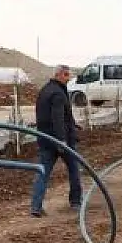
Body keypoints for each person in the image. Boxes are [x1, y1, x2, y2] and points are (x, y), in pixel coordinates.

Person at [30, 65, 82, 217]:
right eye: (66, 75)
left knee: (43, 172)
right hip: (61, 141)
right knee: (74, 170)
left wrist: (73, 124)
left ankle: (36, 206)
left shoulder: (45, 90)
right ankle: (76, 202)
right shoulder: (58, 93)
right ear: (58, 75)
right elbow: (57, 119)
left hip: (45, 139)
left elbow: (53, 115)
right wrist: (61, 141)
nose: (68, 78)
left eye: (69, 75)